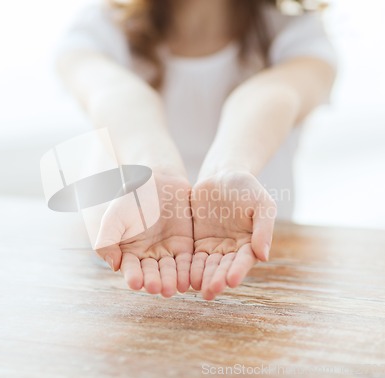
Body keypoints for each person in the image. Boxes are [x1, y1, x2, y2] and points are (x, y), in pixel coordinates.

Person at [56, 0, 337, 300]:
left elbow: (271, 94)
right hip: (119, 266)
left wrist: (227, 170)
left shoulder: (295, 30)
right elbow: (114, 93)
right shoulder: (102, 25)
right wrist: (154, 169)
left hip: (255, 268)